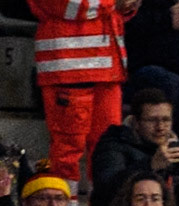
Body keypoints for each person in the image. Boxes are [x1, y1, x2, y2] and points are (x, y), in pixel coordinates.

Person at [31, 0, 138, 187]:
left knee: (108, 146)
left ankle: (103, 201)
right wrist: (114, 3)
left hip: (106, 69)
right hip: (69, 68)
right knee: (67, 148)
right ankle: (64, 204)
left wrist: (127, 5)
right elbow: (68, 5)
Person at [89, 89, 179, 206]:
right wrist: (150, 165)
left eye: (166, 120)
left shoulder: (175, 147)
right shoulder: (113, 144)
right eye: (152, 120)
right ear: (136, 122)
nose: (160, 127)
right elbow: (106, 189)